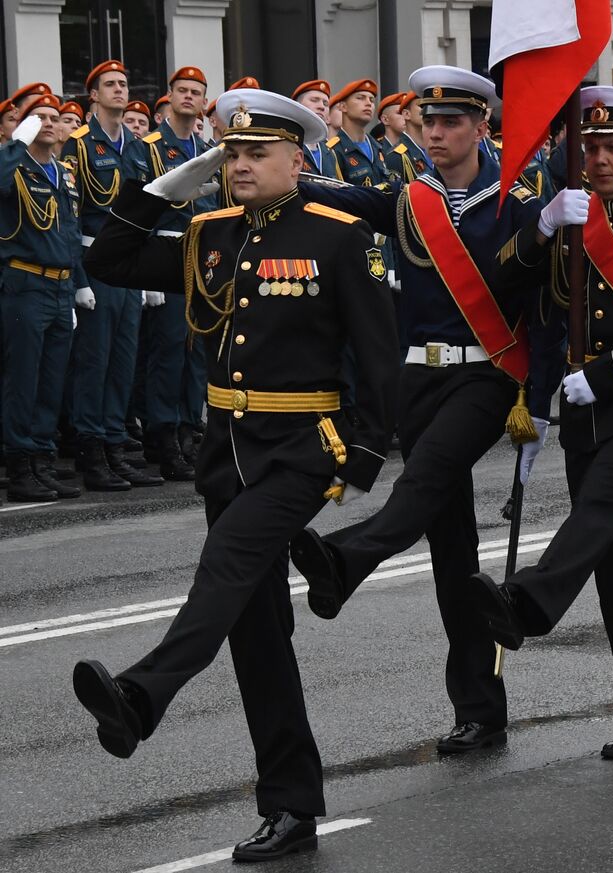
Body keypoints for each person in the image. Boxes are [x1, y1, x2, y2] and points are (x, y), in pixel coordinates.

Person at [72, 87, 399, 861]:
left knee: (224, 565)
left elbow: (380, 355)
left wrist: (365, 453)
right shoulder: (210, 231)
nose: (241, 164)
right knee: (256, 634)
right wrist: (167, 185)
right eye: (232, 152)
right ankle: (291, 805)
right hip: (228, 448)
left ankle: (140, 696)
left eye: (257, 153)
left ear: (299, 159)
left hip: (300, 445)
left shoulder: (339, 236)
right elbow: (108, 257)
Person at [288, 66, 545, 755]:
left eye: (451, 122)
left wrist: (541, 403)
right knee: (451, 546)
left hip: (485, 379)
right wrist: (272, 160)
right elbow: (341, 193)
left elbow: (544, 311)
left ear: (481, 127)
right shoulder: (410, 200)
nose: (435, 133)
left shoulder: (517, 203)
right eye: (428, 122)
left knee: (423, 482)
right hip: (417, 383)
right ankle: (480, 708)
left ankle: (344, 558)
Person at [462, 86, 613, 761]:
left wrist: (604, 377)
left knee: (601, 507)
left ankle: (531, 601)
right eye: (590, 146)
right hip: (584, 405)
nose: (599, 159)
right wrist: (542, 226)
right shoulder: (572, 214)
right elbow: (500, 282)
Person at [64, 59, 163, 492]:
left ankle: (114, 445)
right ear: (94, 96)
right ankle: (91, 449)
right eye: (111, 84)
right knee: (95, 360)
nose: (120, 90)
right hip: (96, 260)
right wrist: (77, 279)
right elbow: (69, 214)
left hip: (130, 265)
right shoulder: (80, 144)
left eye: (124, 83)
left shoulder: (139, 147)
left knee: (122, 361)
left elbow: (148, 210)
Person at [1, 97, 86, 501]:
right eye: (40, 118)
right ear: (22, 124)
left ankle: (42, 461)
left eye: (55, 118)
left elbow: (70, 233)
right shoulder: (13, 166)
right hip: (26, 284)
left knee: (51, 382)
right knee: (23, 380)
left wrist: (77, 285)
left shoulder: (63, 172)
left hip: (60, 286)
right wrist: (15, 143)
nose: (50, 124)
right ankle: (19, 468)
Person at [139, 65, 218, 482]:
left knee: (197, 352)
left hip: (203, 256)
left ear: (204, 102)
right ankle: (164, 433)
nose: (189, 97)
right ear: (169, 97)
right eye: (182, 91)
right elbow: (140, 204)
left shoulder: (207, 151)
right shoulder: (150, 147)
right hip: (166, 251)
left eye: (197, 92)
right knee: (168, 350)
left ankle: (192, 428)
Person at [292, 80, 340, 179]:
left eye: (326, 104)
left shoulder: (329, 152)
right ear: (297, 106)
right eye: (314, 100)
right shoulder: (289, 146)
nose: (321, 107)